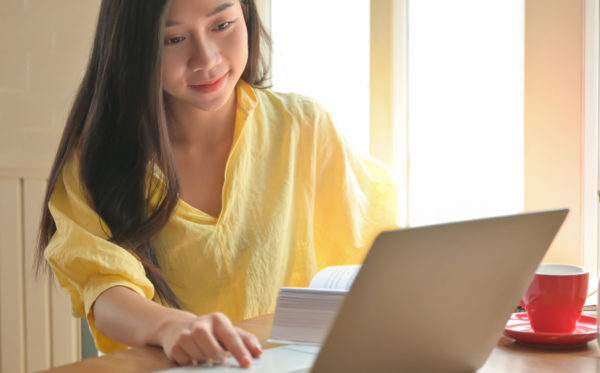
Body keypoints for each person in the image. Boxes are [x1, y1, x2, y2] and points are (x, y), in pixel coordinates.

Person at [36, 0, 399, 368]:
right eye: (173, 39)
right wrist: (174, 328)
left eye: (222, 25)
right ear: (132, 47)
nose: (206, 60)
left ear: (247, 18)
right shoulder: (99, 159)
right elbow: (106, 289)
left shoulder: (303, 126)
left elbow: (371, 253)